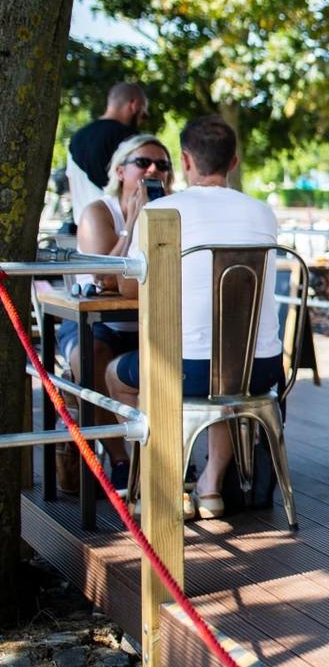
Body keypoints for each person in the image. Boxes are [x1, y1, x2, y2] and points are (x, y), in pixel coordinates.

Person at [105, 116, 286, 521]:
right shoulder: (263, 213)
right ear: (234, 161)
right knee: (224, 369)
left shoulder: (163, 210)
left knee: (118, 375)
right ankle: (211, 485)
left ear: (185, 160)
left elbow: (128, 289)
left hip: (186, 370)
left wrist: (137, 219)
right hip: (261, 371)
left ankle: (164, 479)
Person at [54, 133, 174, 493]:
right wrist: (136, 220)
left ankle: (166, 461)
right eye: (144, 163)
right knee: (90, 356)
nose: (153, 170)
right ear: (121, 171)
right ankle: (120, 459)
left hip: (147, 322)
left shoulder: (172, 212)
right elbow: (104, 275)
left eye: (163, 165)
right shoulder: (98, 212)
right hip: (94, 325)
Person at [67, 83, 151, 218]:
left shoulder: (76, 138)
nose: (143, 120)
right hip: (120, 229)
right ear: (134, 105)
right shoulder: (132, 140)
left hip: (82, 229)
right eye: (144, 114)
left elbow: (72, 184)